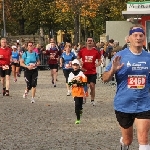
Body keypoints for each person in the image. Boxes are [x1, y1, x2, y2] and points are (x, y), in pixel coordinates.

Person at [102, 24, 150, 150]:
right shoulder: (120, 56)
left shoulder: (148, 58)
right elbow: (104, 79)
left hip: (144, 103)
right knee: (128, 141)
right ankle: (124, 142)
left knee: (144, 138)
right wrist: (112, 70)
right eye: (135, 35)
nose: (138, 38)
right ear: (129, 38)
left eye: (141, 35)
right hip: (124, 104)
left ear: (144, 38)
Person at [77, 37, 101, 106]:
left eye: (91, 41)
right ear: (86, 42)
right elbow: (78, 58)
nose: (90, 42)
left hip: (92, 71)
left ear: (93, 42)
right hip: (84, 71)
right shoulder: (82, 51)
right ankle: (84, 98)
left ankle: (92, 100)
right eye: (88, 41)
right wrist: (80, 62)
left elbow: (100, 60)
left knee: (92, 86)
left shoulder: (95, 51)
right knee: (86, 86)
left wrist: (98, 64)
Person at [68, 59, 87, 124]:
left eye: (76, 65)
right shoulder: (71, 74)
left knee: (80, 105)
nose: (75, 66)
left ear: (79, 66)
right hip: (75, 92)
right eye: (74, 65)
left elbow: (85, 83)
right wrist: (72, 84)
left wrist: (78, 84)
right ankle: (78, 119)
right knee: (77, 105)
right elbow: (69, 83)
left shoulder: (81, 74)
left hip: (81, 92)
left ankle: (80, 110)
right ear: (72, 66)